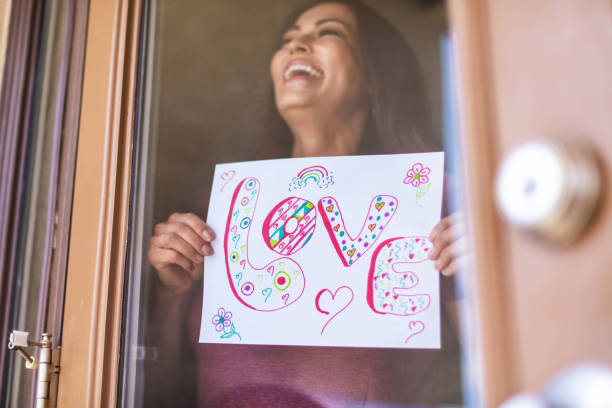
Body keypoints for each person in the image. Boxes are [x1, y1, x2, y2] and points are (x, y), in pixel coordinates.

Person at [146, 1, 467, 406]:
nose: (297, 43)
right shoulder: (221, 213)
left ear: (374, 74)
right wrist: (173, 293)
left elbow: (489, 376)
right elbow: (158, 391)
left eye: (327, 31)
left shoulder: (433, 200)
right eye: (288, 38)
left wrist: (475, 281)